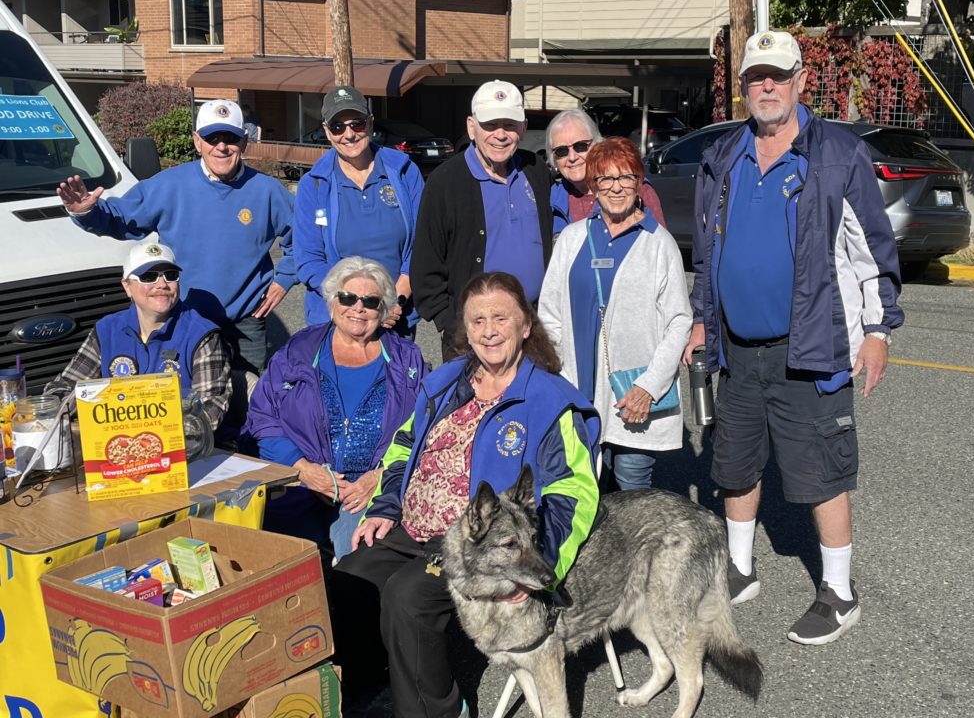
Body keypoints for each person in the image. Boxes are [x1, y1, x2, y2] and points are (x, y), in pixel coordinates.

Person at [682, 31, 904, 645]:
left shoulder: (837, 152)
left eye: (778, 75)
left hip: (813, 345)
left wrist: (879, 328)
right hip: (738, 348)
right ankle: (740, 569)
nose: (767, 87)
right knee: (735, 462)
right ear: (745, 85)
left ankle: (839, 591)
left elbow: (872, 248)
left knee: (820, 470)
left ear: (801, 79)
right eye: (756, 77)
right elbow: (708, 251)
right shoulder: (725, 155)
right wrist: (704, 317)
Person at [333, 271, 601, 718]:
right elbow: (404, 444)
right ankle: (373, 690)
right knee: (350, 577)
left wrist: (536, 568)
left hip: (475, 548)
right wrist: (384, 506)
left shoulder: (549, 402)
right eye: (477, 321)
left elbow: (573, 492)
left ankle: (437, 709)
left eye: (500, 318)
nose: (489, 331)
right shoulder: (448, 380)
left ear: (525, 326)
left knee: (407, 596)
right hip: (411, 524)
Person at [56, 98, 296, 376]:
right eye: (212, 137)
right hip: (185, 320)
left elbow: (303, 239)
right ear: (197, 141)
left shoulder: (267, 190)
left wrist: (284, 279)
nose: (221, 146)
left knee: (250, 401)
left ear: (244, 141)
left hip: (245, 321)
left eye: (230, 138)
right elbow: (121, 219)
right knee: (188, 401)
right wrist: (87, 213)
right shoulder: (168, 185)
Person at [242, 257, 426, 560]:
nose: (358, 307)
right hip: (300, 488)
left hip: (368, 495)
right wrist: (303, 469)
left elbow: (427, 433)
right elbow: (262, 418)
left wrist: (381, 478)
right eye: (348, 297)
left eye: (370, 301)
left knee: (358, 565)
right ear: (331, 302)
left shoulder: (408, 360)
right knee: (264, 559)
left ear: (383, 309)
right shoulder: (298, 351)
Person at [539, 137, 691, 491]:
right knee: (581, 487)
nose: (616, 187)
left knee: (631, 488)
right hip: (577, 390)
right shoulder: (573, 239)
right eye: (605, 179)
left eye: (626, 177)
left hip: (632, 393)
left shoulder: (659, 243)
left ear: (640, 183)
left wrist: (649, 387)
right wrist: (559, 376)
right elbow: (549, 314)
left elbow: (678, 321)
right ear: (593, 185)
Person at [411, 81, 554, 355]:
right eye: (490, 125)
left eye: (510, 125)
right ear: (471, 127)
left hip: (531, 327)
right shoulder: (444, 182)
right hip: (473, 334)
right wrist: (451, 324)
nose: (500, 134)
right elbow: (425, 266)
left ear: (523, 129)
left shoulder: (535, 171)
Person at [44, 242, 231, 430]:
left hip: (184, 450)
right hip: (116, 443)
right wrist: (96, 411)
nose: (162, 284)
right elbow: (60, 391)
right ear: (127, 287)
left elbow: (210, 408)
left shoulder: (202, 334)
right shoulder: (107, 330)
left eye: (170, 275)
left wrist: (153, 432)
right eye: (148, 277)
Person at [293, 86, 423, 335]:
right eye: (338, 127)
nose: (349, 134)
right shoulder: (315, 183)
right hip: (338, 319)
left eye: (357, 124)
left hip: (395, 314)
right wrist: (356, 302)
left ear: (371, 123)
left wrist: (396, 298)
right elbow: (308, 259)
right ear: (326, 131)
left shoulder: (404, 171)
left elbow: (423, 245)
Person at [546, 108, 666, 234]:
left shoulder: (636, 190)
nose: (572, 157)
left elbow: (659, 247)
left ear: (598, 145)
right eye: (561, 151)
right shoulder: (550, 199)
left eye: (580, 146)